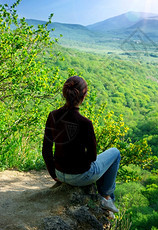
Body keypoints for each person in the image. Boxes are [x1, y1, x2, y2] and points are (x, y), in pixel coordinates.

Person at [42, 75, 120, 215]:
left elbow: (46, 150)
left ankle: (106, 199)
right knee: (115, 153)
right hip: (81, 177)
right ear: (84, 96)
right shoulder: (85, 123)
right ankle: (106, 197)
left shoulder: (53, 115)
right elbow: (92, 156)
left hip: (59, 173)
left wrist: (54, 174)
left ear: (65, 93)